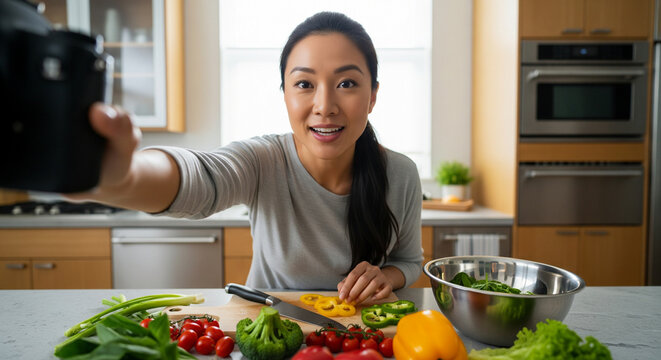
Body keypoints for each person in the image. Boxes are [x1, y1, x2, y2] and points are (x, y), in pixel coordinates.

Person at [69, 12, 423, 305]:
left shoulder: (401, 174)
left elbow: (409, 262)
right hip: (268, 322)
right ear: (284, 93)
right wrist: (126, 177)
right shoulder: (263, 160)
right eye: (304, 84)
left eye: (346, 83)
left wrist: (385, 276)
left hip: (361, 334)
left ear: (372, 96)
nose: (324, 106)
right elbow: (201, 178)